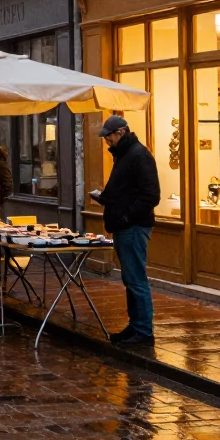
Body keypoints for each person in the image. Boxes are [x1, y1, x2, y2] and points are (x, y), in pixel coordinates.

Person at [89, 115, 160, 346]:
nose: (107, 142)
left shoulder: (139, 155)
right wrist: (107, 198)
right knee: (130, 279)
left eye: (109, 137)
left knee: (136, 279)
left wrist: (127, 215)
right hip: (124, 224)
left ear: (120, 132)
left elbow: (151, 195)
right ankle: (135, 326)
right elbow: (126, 189)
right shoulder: (125, 155)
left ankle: (144, 331)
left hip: (133, 225)